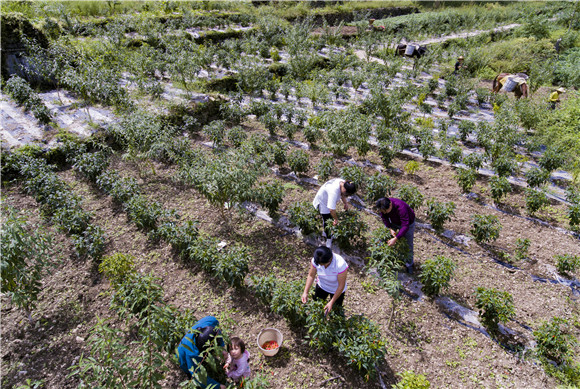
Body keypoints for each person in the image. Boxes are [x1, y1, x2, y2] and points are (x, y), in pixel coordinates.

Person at [176, 316, 227, 389]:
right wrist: (218, 386)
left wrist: (222, 347)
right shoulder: (192, 353)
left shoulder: (210, 321)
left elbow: (216, 330)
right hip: (182, 356)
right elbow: (199, 378)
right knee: (189, 370)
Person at [301, 246, 348, 315]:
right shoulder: (316, 260)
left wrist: (331, 302)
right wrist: (305, 292)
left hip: (336, 289)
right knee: (316, 306)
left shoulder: (340, 264)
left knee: (336, 311)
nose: (321, 266)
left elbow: (341, 285)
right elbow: (311, 275)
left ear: (330, 259)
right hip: (322, 286)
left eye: (323, 264)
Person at [375, 197, 416, 274]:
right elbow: (384, 217)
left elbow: (405, 226)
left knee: (408, 245)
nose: (384, 212)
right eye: (382, 211)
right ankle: (381, 254)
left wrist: (396, 238)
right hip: (394, 222)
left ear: (390, 205)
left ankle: (409, 265)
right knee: (384, 236)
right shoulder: (383, 206)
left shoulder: (401, 207)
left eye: (385, 211)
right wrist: (390, 228)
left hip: (408, 224)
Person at [312, 178, 357, 247]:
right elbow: (331, 209)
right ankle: (328, 239)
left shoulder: (344, 183)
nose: (346, 195)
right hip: (323, 201)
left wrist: (345, 203)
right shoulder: (333, 191)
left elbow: (342, 194)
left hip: (327, 198)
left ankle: (327, 234)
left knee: (329, 218)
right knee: (327, 221)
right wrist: (336, 219)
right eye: (347, 194)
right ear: (344, 190)